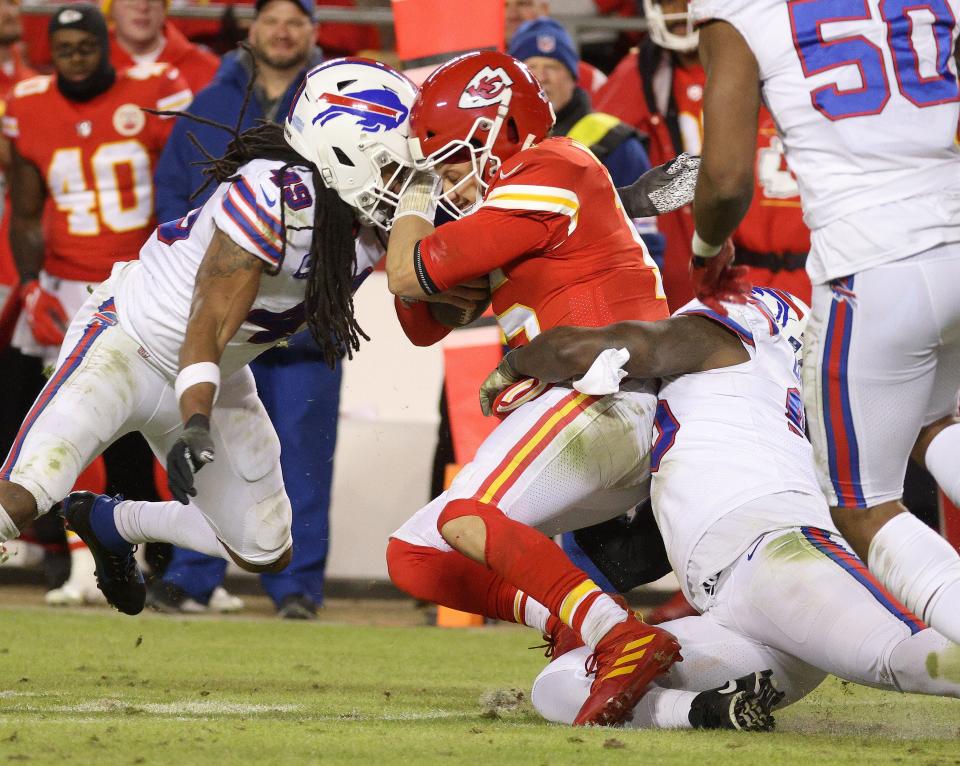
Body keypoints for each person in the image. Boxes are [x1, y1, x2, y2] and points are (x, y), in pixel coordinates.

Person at [0, 58, 421, 616]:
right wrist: (194, 421)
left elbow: (429, 309)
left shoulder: (384, 215)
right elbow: (208, 322)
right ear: (341, 148)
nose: (406, 171)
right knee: (20, 500)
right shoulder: (273, 194)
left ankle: (111, 522)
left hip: (213, 371)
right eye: (393, 155)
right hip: (126, 342)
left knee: (265, 547)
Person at [383, 50, 697, 728]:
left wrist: (408, 196)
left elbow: (409, 277)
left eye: (455, 156)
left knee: (461, 516)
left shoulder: (553, 165)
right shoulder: (513, 202)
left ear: (497, 132)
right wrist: (402, 223)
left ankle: (618, 637)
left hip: (604, 397)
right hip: (584, 411)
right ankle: (578, 624)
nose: (445, 175)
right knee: (413, 556)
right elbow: (420, 319)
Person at [484, 286, 960, 728]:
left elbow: (574, 350)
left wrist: (516, 361)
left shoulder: (727, 337)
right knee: (564, 684)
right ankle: (704, 711)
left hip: (775, 554)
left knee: (910, 657)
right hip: (730, 605)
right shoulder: (774, 394)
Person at [685, 1, 960, 644]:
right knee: (938, 422)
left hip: (871, 263)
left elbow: (724, 179)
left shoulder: (743, 8)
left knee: (861, 505)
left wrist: (705, 250)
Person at [1, 4, 192, 604]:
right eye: (65, 49)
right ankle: (86, 559)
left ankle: (177, 566)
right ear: (50, 54)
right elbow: (27, 210)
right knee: (73, 427)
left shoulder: (157, 88)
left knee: (168, 424)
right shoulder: (29, 103)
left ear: (107, 46)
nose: (77, 58)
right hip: (68, 290)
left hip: (146, 284)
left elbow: (185, 187)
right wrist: (32, 284)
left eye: (87, 46)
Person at [152, 0, 336, 619]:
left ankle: (297, 589)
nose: (283, 32)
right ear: (251, 31)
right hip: (223, 325)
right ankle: (192, 575)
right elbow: (173, 203)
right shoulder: (206, 106)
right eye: (272, 20)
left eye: (296, 20)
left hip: (304, 327)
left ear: (313, 32)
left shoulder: (340, 105)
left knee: (304, 464)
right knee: (203, 447)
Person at [595, 0, 811, 306]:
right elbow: (590, 153)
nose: (684, 12)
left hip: (802, 258)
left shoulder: (777, 61)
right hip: (709, 267)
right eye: (671, 3)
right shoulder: (639, 75)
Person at [104, 0, 220, 94]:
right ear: (111, 8)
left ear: (164, 6)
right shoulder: (92, 69)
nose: (143, 6)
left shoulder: (208, 69)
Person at [504, 0, 607, 95]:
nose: (512, 15)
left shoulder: (591, 80)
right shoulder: (489, 76)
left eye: (524, 4)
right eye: (504, 5)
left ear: (544, 9)